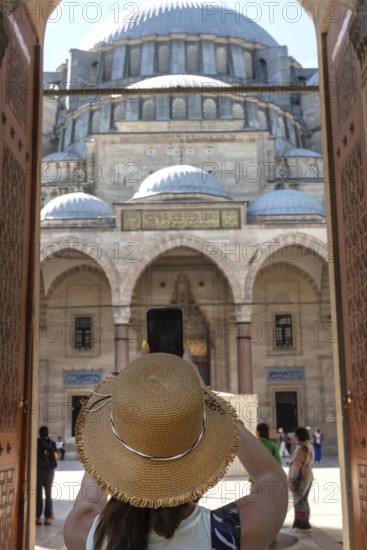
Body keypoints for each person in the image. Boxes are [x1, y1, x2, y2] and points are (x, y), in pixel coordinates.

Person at [64, 348, 288, 550]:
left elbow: (94, 476)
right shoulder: (230, 533)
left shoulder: (85, 533)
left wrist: (129, 392)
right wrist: (205, 396)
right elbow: (272, 478)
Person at [288, 426, 314, 532]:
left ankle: (302, 524)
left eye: (295, 436)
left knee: (299, 500)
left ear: (298, 436)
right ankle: (304, 522)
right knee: (304, 499)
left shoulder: (300, 448)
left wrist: (292, 477)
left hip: (300, 477)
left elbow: (297, 464)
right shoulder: (309, 446)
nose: (295, 438)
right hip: (308, 475)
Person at [36, 426, 58, 525]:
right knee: (48, 494)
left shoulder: (37, 442)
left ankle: (37, 517)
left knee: (38, 493)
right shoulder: (52, 443)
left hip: (39, 470)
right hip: (50, 470)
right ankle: (48, 517)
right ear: (47, 432)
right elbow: (56, 456)